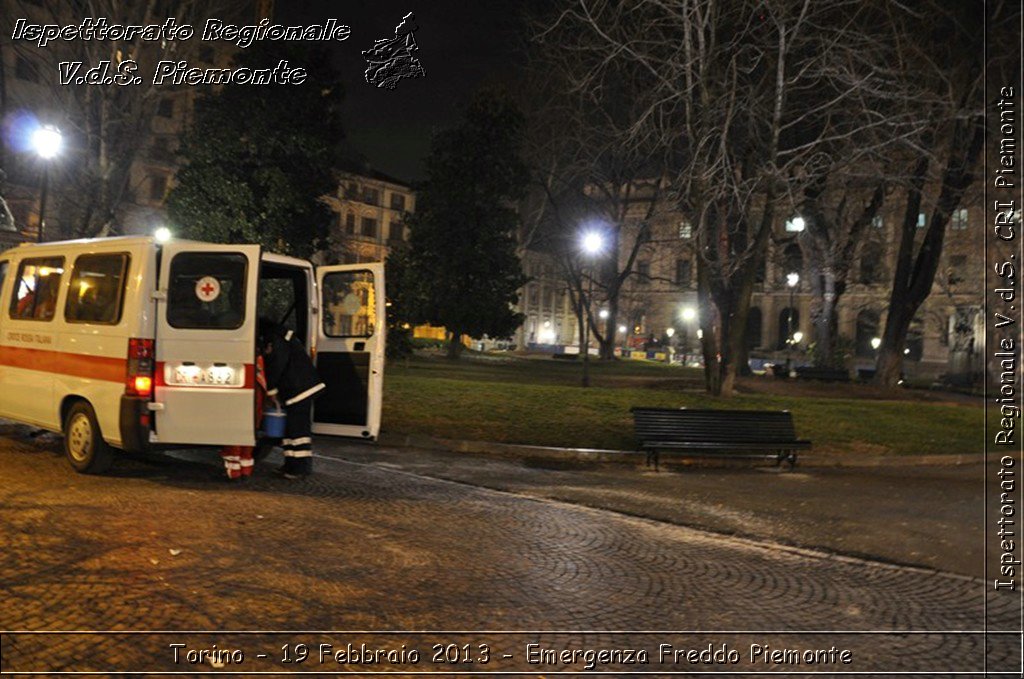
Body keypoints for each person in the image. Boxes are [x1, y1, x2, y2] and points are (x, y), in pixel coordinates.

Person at [259, 319, 325, 479]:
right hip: (298, 388)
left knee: (298, 432)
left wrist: (271, 390)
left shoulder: (276, 340)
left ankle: (301, 468)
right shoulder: (280, 336)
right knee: (290, 431)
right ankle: (290, 465)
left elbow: (276, 365)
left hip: (299, 390)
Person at [218, 353, 267, 481]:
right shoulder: (259, 360)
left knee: (234, 434)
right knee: (248, 434)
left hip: (239, 397)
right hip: (256, 397)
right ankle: (246, 470)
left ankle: (233, 472)